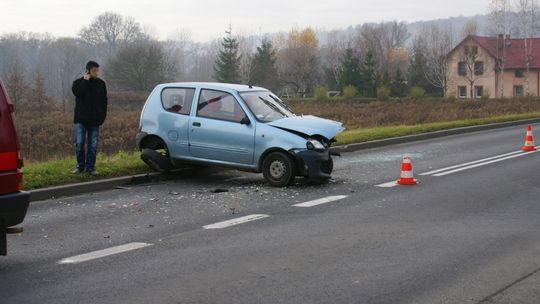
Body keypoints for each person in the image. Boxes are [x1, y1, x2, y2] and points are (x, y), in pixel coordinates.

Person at [71, 61, 108, 176]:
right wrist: (85, 81)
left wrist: (101, 117)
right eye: (94, 71)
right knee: (79, 142)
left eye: (97, 70)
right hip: (80, 119)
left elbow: (104, 102)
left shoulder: (101, 84)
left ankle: (90, 168)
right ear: (87, 70)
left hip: (95, 120)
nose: (96, 73)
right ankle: (80, 166)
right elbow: (78, 93)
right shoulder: (78, 83)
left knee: (93, 144)